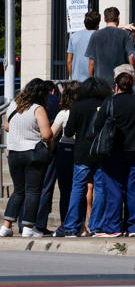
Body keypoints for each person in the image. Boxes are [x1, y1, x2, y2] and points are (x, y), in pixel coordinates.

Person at [92, 71, 135, 237]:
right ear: (132, 86)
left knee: (114, 188)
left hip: (114, 150)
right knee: (133, 189)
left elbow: (97, 126)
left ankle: (113, 226)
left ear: (116, 85)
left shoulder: (109, 102)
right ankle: (133, 226)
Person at [55, 77, 113, 237]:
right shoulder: (106, 105)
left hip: (81, 152)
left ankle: (71, 227)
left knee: (78, 188)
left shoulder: (77, 106)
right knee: (100, 188)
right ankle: (96, 226)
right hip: (101, 151)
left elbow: (68, 132)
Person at [0, 79, 53, 238]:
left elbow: (7, 127)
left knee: (18, 191)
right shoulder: (38, 109)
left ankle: (6, 226)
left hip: (14, 153)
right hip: (33, 153)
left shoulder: (13, 106)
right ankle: (28, 227)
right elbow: (46, 134)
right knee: (33, 191)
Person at [50, 81, 81, 230]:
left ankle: (64, 223)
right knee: (80, 189)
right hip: (81, 150)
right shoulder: (85, 110)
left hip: (65, 149)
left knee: (65, 190)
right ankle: (80, 224)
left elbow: (51, 134)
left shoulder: (63, 113)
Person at [34, 81, 62, 235]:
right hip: (51, 148)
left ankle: (25, 222)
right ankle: (40, 223)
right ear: (52, 90)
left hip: (31, 148)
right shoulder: (57, 102)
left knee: (30, 187)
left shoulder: (31, 103)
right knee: (46, 187)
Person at [85, 7, 134, 85]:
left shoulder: (95, 35)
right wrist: (132, 75)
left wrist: (91, 80)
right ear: (118, 18)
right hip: (120, 82)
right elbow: (131, 56)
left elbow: (91, 61)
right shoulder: (126, 35)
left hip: (101, 83)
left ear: (104, 19)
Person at [67, 11, 100, 82]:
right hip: (92, 80)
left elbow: (69, 60)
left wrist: (72, 77)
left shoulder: (74, 36)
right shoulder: (98, 36)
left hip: (76, 80)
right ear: (97, 24)